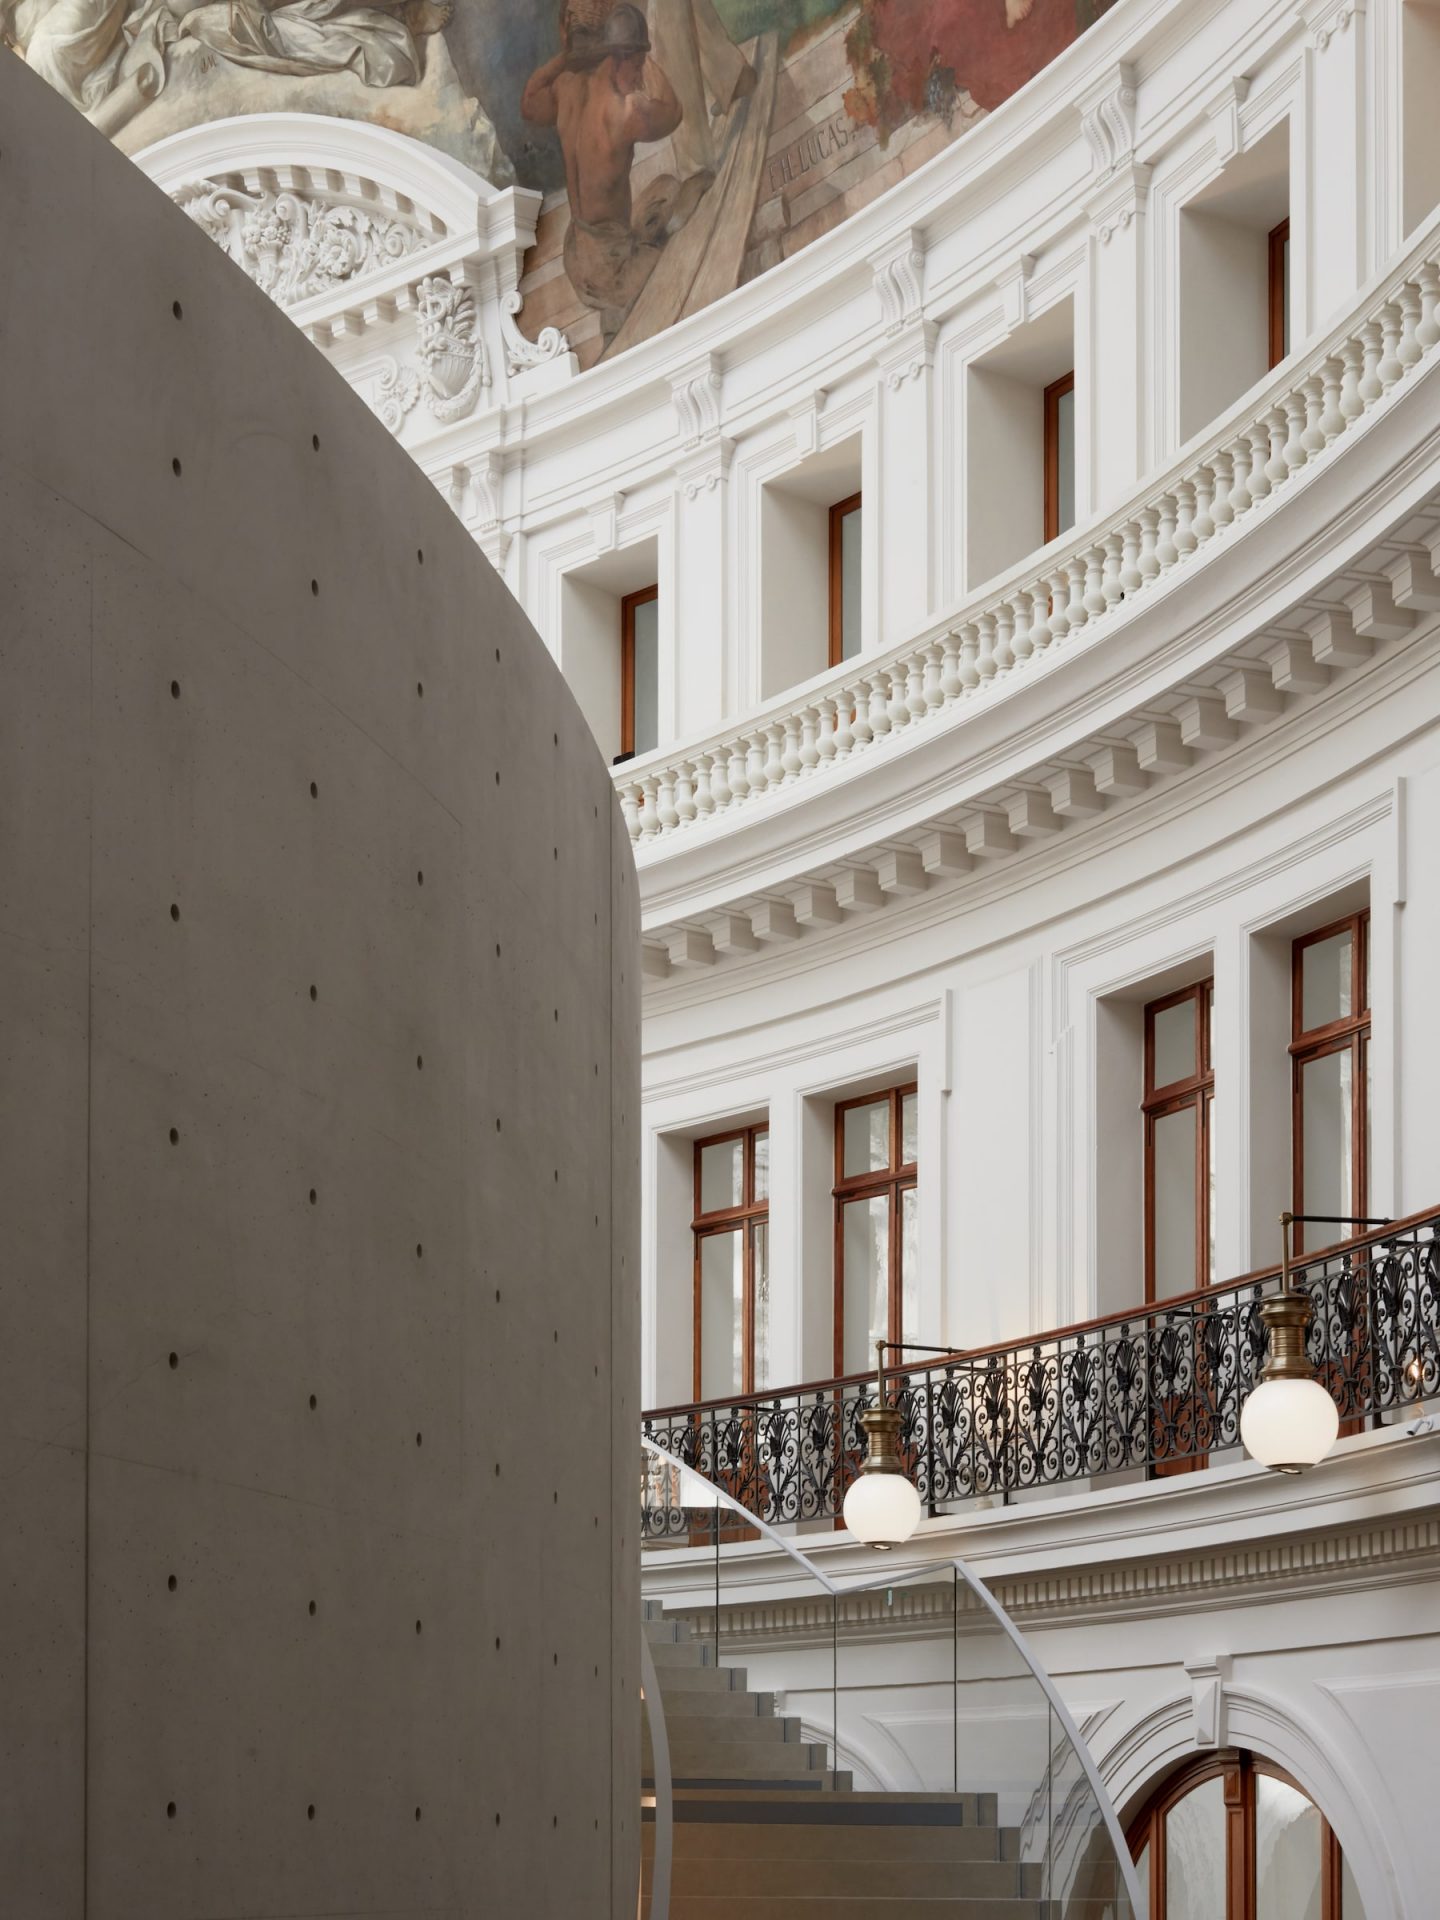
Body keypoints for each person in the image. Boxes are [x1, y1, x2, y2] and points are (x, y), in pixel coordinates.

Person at [522, 3, 706, 335]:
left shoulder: (567, 88)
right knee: (686, 250)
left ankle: (619, 294)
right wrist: (644, 56)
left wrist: (566, 57)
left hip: (577, 252)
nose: (638, 79)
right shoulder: (625, 112)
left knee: (665, 187)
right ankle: (620, 304)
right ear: (618, 58)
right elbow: (674, 111)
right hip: (608, 267)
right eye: (634, 68)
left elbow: (530, 101)